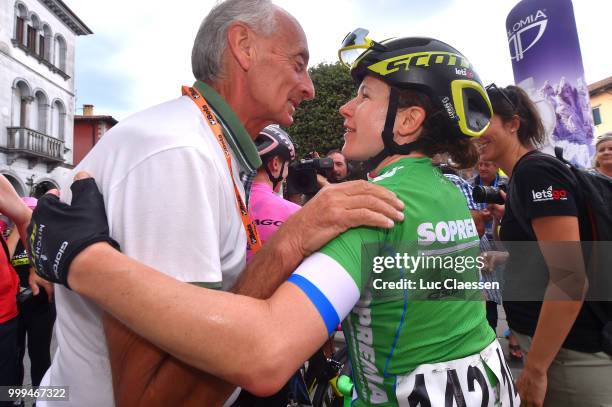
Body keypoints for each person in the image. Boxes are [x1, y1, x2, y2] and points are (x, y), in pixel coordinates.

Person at [26, 33, 521, 406]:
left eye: (366, 96)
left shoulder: (370, 209)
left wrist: (86, 263)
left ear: (409, 120)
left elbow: (264, 356)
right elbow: (441, 292)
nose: (344, 107)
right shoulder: (448, 193)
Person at [481, 84, 612, 407]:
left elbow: (569, 279)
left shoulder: (535, 173)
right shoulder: (524, 176)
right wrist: (505, 255)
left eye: (484, 120)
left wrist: (536, 370)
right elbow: (555, 252)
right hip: (556, 349)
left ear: (514, 123)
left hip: (569, 356)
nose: (475, 132)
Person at [7, 197, 56, 389]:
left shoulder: (47, 237)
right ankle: (13, 399)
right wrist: (19, 231)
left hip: (41, 305)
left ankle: (43, 400)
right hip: (15, 307)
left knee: (40, 356)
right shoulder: (11, 237)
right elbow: (6, 258)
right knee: (13, 358)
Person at [247, 125, 300, 261]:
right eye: (287, 166)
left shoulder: (222, 202)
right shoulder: (296, 214)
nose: (286, 174)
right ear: (275, 164)